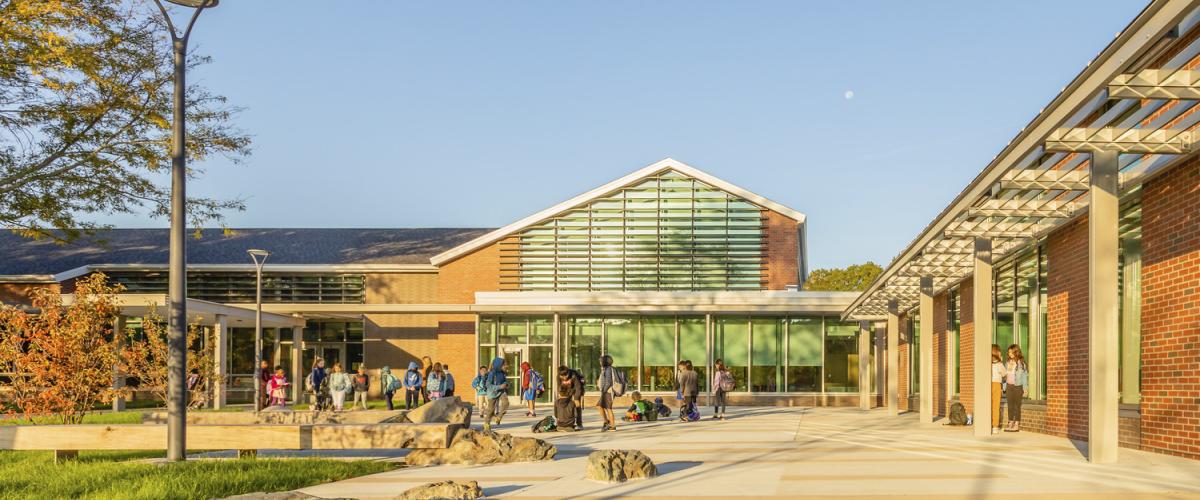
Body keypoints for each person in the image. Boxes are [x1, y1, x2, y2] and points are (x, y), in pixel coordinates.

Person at [482, 357, 509, 432]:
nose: (505, 366)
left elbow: (504, 381)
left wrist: (506, 384)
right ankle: (486, 425)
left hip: (501, 392)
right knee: (490, 410)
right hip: (492, 393)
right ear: (498, 365)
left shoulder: (502, 373)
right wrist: (500, 386)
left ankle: (498, 417)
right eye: (504, 365)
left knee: (506, 403)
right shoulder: (492, 373)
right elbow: (488, 385)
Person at [1005, 344, 1028, 432]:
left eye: (1011, 352)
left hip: (1018, 386)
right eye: (1009, 352)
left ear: (1016, 352)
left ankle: (1017, 424)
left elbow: (1024, 377)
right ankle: (1010, 422)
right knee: (1010, 406)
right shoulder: (1007, 363)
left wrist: (1025, 388)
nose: (1010, 354)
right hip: (1009, 386)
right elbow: (1005, 375)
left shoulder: (1021, 363)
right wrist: (1004, 386)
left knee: (1017, 406)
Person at [597, 354, 617, 432]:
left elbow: (609, 382)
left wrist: (603, 390)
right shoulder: (606, 369)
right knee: (599, 406)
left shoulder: (608, 369)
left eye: (601, 361)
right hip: (606, 391)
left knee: (608, 408)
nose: (600, 362)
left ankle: (612, 425)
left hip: (608, 391)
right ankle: (607, 422)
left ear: (605, 362)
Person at [990, 344, 1007, 434]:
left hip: (988, 385)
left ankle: (988, 423)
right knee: (996, 406)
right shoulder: (1000, 365)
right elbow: (1005, 375)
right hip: (996, 385)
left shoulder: (988, 364)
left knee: (989, 405)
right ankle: (995, 426)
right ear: (997, 353)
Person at [555, 366, 578, 431]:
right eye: (562, 376)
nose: (564, 377)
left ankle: (563, 426)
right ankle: (570, 426)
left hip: (560, 423)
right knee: (571, 407)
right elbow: (576, 415)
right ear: (559, 375)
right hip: (570, 423)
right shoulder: (572, 403)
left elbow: (556, 415)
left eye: (566, 375)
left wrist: (576, 398)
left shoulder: (573, 376)